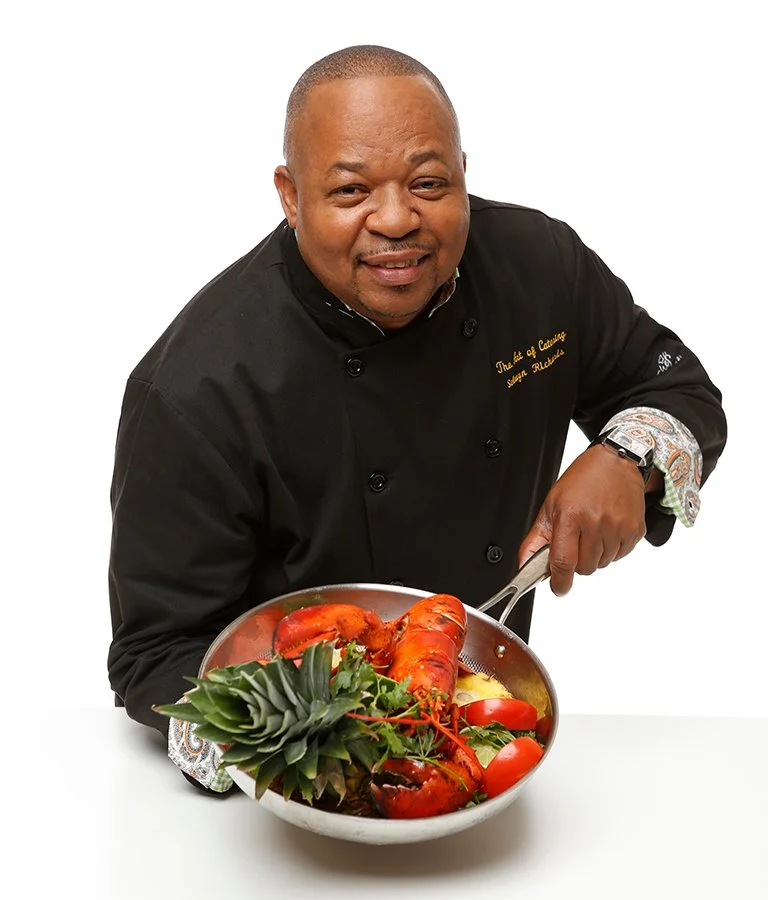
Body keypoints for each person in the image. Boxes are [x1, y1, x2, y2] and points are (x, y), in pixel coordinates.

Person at [107, 45, 727, 794]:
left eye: (430, 182)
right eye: (350, 191)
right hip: (304, 774)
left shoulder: (539, 269)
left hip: (478, 733)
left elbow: (680, 388)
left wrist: (631, 460)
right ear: (290, 195)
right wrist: (297, 743)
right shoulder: (197, 386)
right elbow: (155, 649)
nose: (397, 219)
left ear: (464, 172)